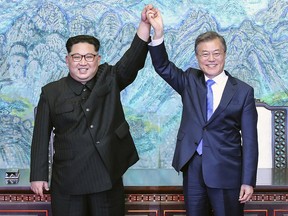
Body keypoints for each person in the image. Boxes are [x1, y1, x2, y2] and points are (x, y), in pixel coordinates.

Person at [30, 5, 156, 216]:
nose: (83, 63)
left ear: (97, 59)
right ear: (67, 60)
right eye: (76, 57)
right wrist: (37, 175)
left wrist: (144, 24)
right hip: (67, 181)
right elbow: (40, 136)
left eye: (89, 57)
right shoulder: (51, 92)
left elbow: (132, 60)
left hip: (107, 177)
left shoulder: (110, 78)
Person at [146, 9, 258, 216]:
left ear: (224, 54)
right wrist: (159, 33)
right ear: (197, 57)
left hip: (227, 171)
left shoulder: (243, 92)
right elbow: (162, 66)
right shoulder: (190, 81)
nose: (211, 59)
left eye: (216, 53)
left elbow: (250, 141)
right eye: (204, 54)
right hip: (194, 168)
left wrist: (248, 180)